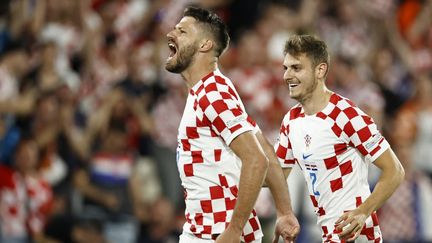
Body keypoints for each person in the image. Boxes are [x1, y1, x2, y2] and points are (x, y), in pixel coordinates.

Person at [164, 6, 299, 243]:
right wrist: (285, 211)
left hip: (214, 234)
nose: (171, 34)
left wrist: (234, 230)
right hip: (207, 230)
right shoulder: (216, 87)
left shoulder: (212, 94)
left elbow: (257, 159)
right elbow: (265, 149)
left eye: (183, 31)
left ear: (204, 45)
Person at [274, 35, 405, 242]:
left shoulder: (345, 115)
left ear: (320, 70)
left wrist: (363, 211)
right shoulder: (291, 120)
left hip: (354, 232)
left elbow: (395, 171)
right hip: (326, 231)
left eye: (296, 68)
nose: (287, 76)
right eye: (286, 68)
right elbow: (275, 174)